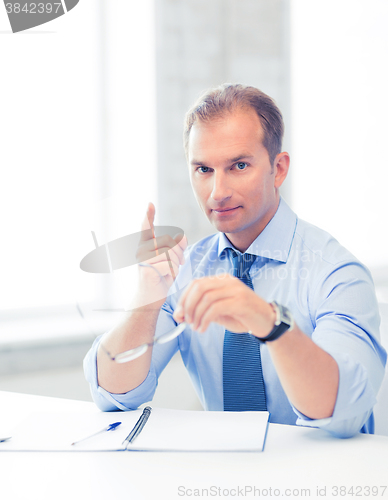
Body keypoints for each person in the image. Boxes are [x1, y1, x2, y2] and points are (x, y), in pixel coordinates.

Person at [84, 83, 386, 438]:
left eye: (239, 165)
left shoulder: (336, 273)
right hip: (222, 480)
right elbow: (113, 394)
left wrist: (269, 323)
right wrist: (147, 298)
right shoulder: (185, 270)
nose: (218, 192)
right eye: (203, 170)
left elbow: (343, 413)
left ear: (278, 169)